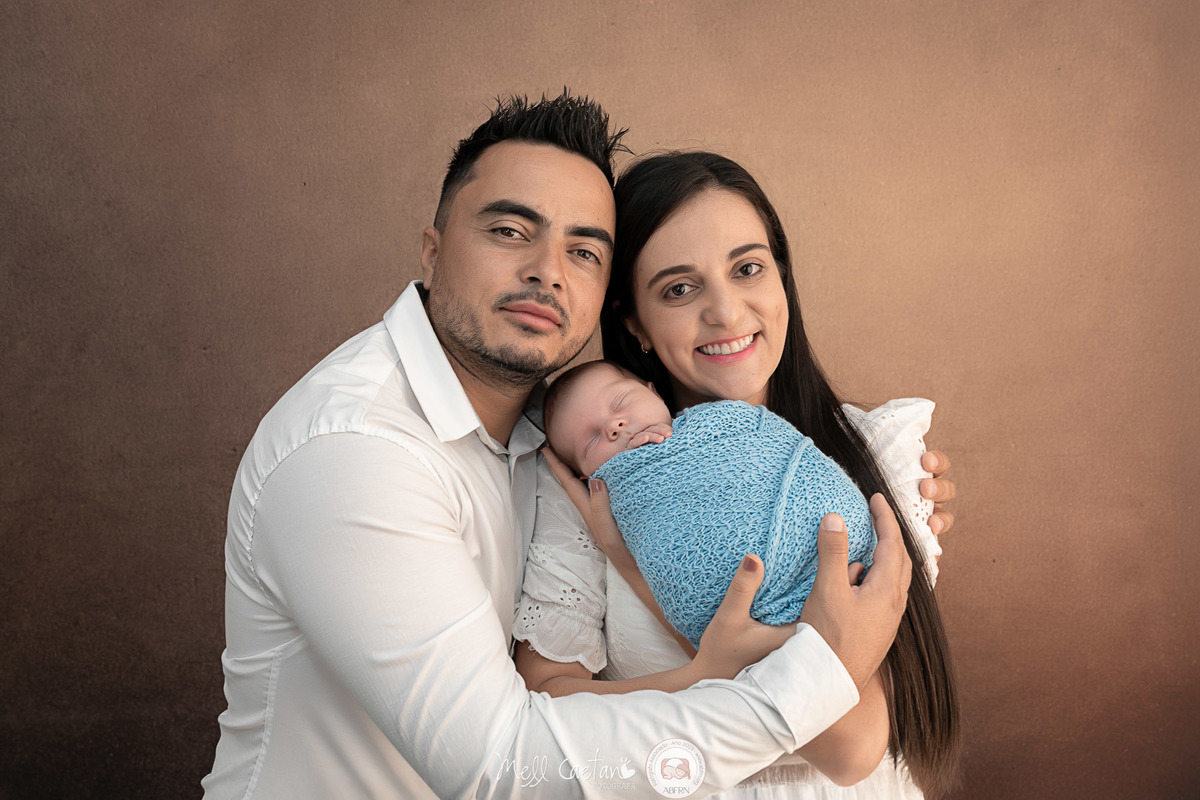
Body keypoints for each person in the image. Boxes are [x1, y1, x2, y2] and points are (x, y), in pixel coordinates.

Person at [201, 94, 924, 798]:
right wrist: (800, 678)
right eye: (510, 230)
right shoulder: (356, 453)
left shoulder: (561, 437)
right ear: (431, 250)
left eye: (582, 251)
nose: (547, 271)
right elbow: (503, 769)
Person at [514, 151, 961, 798]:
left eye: (748, 268)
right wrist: (702, 669)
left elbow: (852, 746)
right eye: (678, 288)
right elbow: (541, 710)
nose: (725, 312)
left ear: (782, 279)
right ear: (634, 323)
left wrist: (637, 570)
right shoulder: (589, 479)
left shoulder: (872, 453)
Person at [541, 360, 938, 648]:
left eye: (620, 402)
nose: (614, 426)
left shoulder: (720, 423)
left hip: (844, 558)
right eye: (591, 440)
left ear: (653, 392)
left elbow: (773, 447)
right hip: (755, 623)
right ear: (586, 478)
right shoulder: (614, 508)